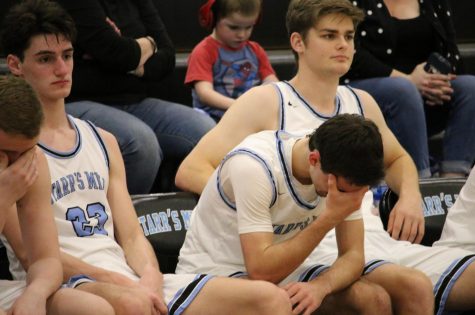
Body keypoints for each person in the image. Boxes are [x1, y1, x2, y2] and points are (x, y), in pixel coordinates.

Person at [175, 0, 475, 312]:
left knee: (418, 284)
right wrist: (267, 205)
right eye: (330, 36)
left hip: (362, 231)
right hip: (306, 240)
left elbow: (398, 159)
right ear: (297, 42)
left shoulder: (361, 102)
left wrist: (411, 195)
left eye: (349, 36)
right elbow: (191, 169)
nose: (343, 45)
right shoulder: (267, 100)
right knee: (402, 288)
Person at [1, 1, 293, 314]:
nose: (61, 68)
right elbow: (31, 255)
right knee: (132, 304)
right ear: (16, 65)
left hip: (127, 279)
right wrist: (118, 281)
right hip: (71, 283)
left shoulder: (103, 141)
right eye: (46, 59)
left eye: (68, 56)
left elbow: (131, 236)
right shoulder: (15, 149)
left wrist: (150, 276)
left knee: (269, 299)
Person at [178, 114, 406, 315]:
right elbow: (261, 271)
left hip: (276, 273)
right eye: (344, 191)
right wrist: (329, 218)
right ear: (314, 160)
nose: (349, 199)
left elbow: (354, 256)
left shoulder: (341, 168)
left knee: (374, 299)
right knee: (274, 301)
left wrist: (320, 287)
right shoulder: (254, 167)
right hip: (215, 273)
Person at [53, 0, 217, 194]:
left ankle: (181, 213)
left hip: (135, 100)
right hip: (81, 101)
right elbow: (116, 52)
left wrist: (126, 56)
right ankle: (122, 217)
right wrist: (149, 44)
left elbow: (167, 57)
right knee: (141, 144)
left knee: (206, 131)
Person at [0, 76, 114, 315]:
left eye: (27, 151)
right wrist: (3, 196)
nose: (18, 164)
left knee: (93, 309)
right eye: (8, 152)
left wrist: (36, 294)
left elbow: (45, 259)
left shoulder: (30, 161)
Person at [342, 0, 475, 178]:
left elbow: (451, 53)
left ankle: (453, 179)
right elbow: (351, 55)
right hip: (368, 92)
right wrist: (409, 79)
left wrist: (435, 82)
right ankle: (419, 180)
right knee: (403, 90)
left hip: (421, 97)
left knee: (470, 87)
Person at [185, 0, 278, 121]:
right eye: (233, 27)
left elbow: (272, 82)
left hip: (249, 114)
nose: (242, 34)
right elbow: (205, 94)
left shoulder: (255, 50)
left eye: (249, 27)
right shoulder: (203, 51)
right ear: (213, 19)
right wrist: (239, 106)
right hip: (214, 119)